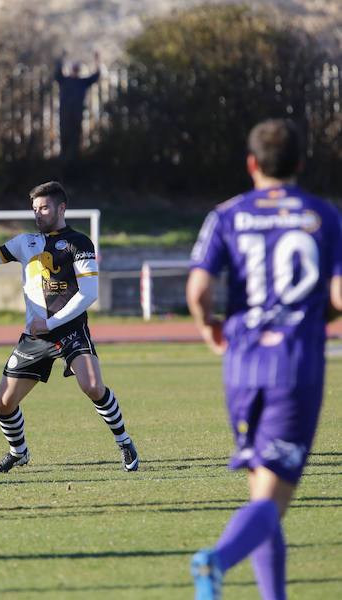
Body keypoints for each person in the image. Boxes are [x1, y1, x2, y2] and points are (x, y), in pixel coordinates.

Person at [186, 118, 342, 599]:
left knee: (262, 494)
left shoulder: (227, 213)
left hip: (241, 363)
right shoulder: (324, 215)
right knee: (273, 502)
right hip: (295, 364)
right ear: (300, 162)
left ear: (252, 164)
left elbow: (198, 290)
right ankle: (217, 560)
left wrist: (210, 328)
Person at [0, 181, 139, 473]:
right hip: (35, 336)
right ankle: (18, 453)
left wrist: (52, 322)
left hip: (69, 329)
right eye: (35, 209)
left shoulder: (79, 243)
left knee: (93, 386)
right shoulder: (25, 243)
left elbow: (89, 292)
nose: (39, 214)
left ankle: (125, 443)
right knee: (4, 403)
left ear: (61, 208)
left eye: (44, 208)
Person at [54, 51, 100, 165]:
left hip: (77, 116)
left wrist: (97, 61)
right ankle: (64, 167)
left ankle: (74, 166)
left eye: (77, 68)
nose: (75, 70)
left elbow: (96, 76)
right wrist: (61, 57)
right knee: (64, 140)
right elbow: (57, 72)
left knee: (75, 142)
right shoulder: (64, 80)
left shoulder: (82, 82)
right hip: (65, 116)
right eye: (74, 67)